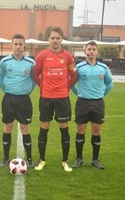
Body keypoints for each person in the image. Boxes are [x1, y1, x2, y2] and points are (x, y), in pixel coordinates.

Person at [33, 27, 76, 172]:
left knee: (63, 127)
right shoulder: (42, 55)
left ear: (62, 39)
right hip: (46, 98)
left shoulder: (68, 56)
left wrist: (67, 88)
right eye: (52, 38)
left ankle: (65, 161)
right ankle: (41, 159)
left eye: (58, 38)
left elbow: (73, 75)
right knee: (44, 127)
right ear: (48, 39)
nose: (55, 40)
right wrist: (43, 87)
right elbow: (35, 74)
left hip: (62, 98)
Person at [71, 41, 113, 170]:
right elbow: (71, 84)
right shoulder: (79, 67)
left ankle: (95, 160)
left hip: (98, 103)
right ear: (85, 51)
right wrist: (79, 93)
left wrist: (100, 95)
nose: (91, 51)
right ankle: (79, 159)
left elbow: (110, 84)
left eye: (94, 49)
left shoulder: (103, 68)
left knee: (96, 131)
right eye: (89, 49)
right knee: (80, 131)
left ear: (97, 52)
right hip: (83, 103)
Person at [0, 34, 36, 168]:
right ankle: (6, 157)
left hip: (24, 99)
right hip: (8, 99)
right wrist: (8, 89)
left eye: (20, 44)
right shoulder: (4, 62)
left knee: (25, 128)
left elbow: (34, 80)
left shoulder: (31, 63)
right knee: (8, 127)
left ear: (24, 45)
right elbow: (0, 79)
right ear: (12, 45)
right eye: (16, 44)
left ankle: (30, 158)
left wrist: (27, 90)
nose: (18, 47)